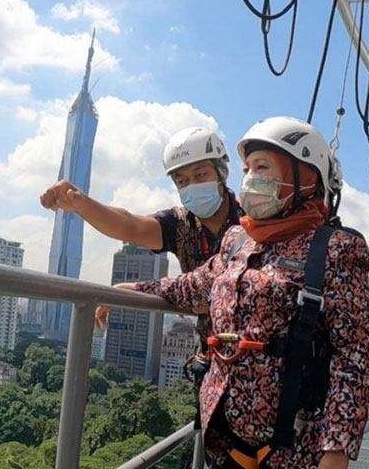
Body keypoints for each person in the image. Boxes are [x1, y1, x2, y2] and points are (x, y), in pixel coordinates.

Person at [105, 116, 369, 469]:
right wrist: (131, 292)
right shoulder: (237, 240)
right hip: (228, 439)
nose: (249, 180)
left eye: (262, 168)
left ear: (304, 176)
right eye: (247, 170)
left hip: (295, 447)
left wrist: (336, 454)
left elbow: (352, 359)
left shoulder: (337, 250)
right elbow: (195, 286)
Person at [39, 125, 241, 334]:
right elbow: (129, 225)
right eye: (182, 181)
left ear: (221, 172)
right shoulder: (180, 224)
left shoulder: (251, 222)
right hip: (213, 353)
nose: (193, 185)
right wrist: (81, 204)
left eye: (200, 175)